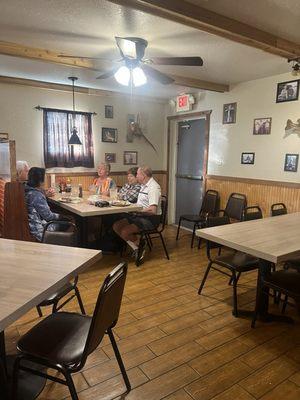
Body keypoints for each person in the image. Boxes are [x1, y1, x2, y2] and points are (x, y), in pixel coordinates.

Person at [113, 165, 161, 265]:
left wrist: (138, 211)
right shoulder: (144, 185)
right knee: (116, 226)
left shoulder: (153, 188)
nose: (136, 176)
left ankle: (138, 248)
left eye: (138, 174)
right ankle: (138, 247)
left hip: (150, 219)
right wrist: (134, 209)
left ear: (143, 175)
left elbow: (153, 210)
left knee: (125, 231)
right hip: (139, 215)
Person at [25, 167, 62, 241]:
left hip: (30, 226)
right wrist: (61, 216)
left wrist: (44, 193)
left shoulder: (26, 190)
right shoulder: (37, 195)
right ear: (40, 181)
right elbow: (48, 216)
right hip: (39, 231)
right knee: (70, 220)